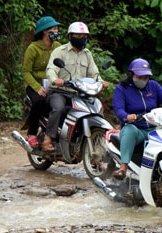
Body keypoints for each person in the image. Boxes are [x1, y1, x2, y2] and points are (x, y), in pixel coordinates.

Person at [111, 58, 162, 179]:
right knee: (129, 131)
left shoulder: (153, 86)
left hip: (156, 127)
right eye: (140, 77)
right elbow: (118, 109)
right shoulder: (121, 89)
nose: (143, 80)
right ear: (131, 74)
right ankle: (123, 167)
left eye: (146, 77)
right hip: (136, 128)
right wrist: (127, 117)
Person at [43, 21, 109, 152]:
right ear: (70, 36)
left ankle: (91, 141)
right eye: (78, 36)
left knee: (96, 107)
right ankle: (47, 138)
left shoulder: (87, 54)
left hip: (79, 93)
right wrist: (55, 79)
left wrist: (100, 81)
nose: (82, 39)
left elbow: (94, 73)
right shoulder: (60, 51)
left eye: (84, 36)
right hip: (59, 92)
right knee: (59, 108)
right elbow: (50, 69)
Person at [22, 16, 62, 148]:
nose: (57, 31)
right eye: (54, 29)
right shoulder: (33, 48)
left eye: (57, 28)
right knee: (39, 101)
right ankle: (31, 133)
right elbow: (26, 71)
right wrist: (37, 87)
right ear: (45, 31)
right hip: (35, 85)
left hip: (53, 84)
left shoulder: (57, 46)